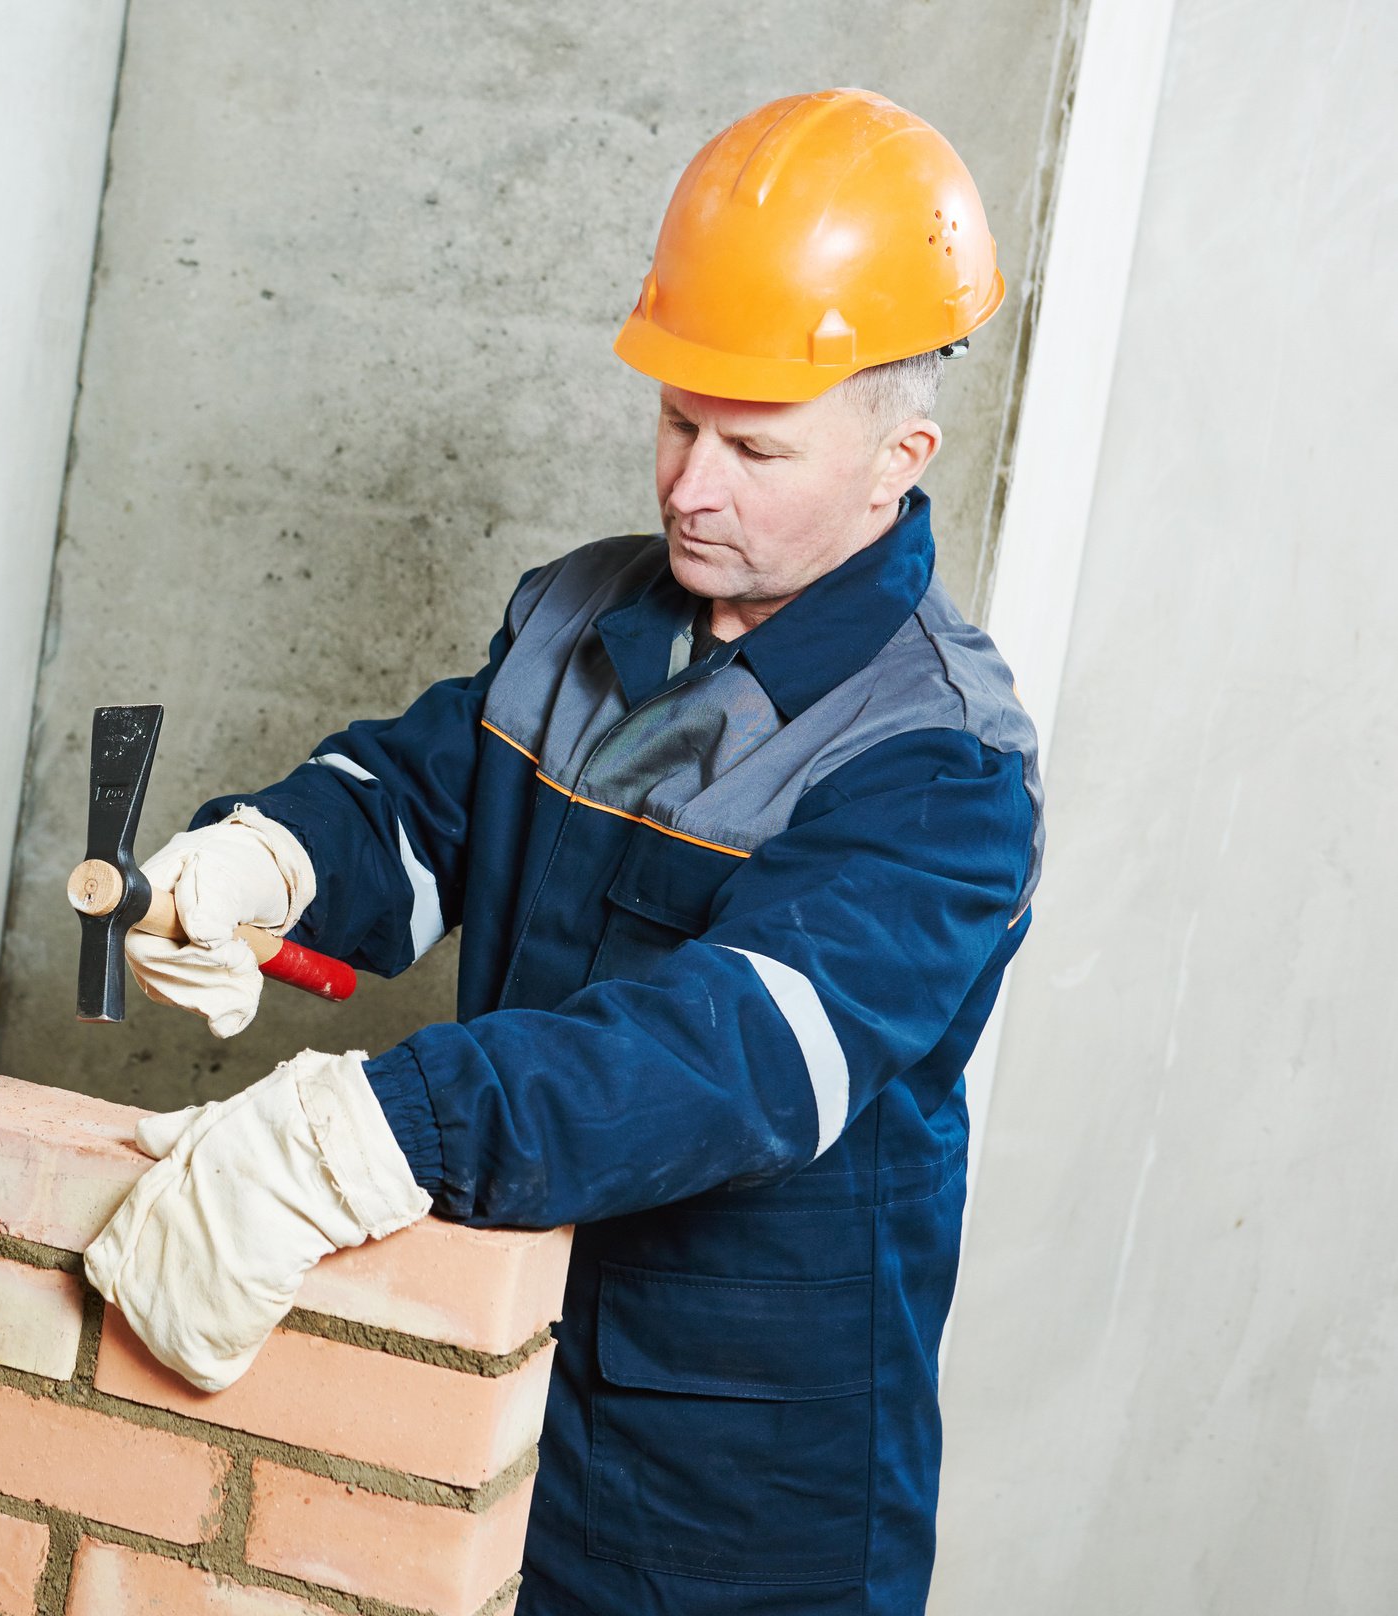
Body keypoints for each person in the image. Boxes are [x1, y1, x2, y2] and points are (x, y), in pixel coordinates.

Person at [82, 88, 1043, 1615]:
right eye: (675, 420)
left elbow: (731, 1055)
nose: (688, 485)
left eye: (754, 447)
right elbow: (419, 802)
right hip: (489, 1373)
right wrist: (267, 856)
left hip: (735, 1488)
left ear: (895, 454)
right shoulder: (583, 617)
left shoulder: (938, 767)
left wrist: (373, 1131)